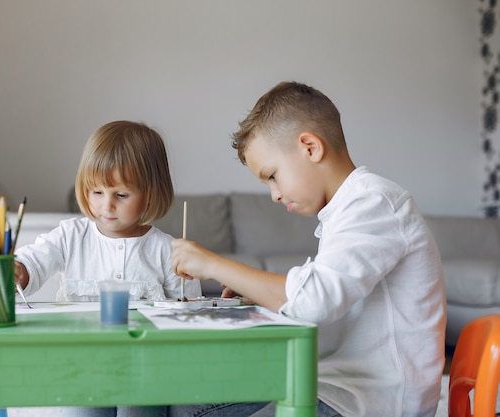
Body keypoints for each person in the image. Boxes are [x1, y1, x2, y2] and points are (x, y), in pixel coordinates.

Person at [170, 82, 446, 417]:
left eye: (272, 175)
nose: (274, 194)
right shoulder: (346, 211)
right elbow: (326, 301)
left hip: (368, 402)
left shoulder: (374, 201)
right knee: (183, 399)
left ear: (310, 147)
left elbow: (313, 302)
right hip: (329, 386)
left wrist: (212, 265)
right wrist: (263, 298)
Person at [15, 120, 201, 417]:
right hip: (83, 368)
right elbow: (34, 260)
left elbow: (191, 318)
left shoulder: (168, 251)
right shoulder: (70, 235)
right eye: (96, 192)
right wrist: (20, 269)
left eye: (121, 195)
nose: (106, 206)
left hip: (148, 372)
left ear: (151, 193)